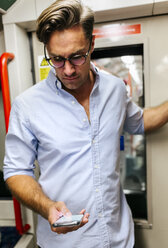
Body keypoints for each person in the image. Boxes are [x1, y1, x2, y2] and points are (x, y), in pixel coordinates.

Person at [3, 0, 168, 247]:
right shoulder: (27, 106)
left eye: (77, 57)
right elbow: (16, 171)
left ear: (92, 44)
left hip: (119, 238)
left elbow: (140, 121)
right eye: (57, 59)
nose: (68, 69)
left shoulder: (114, 89)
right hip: (65, 243)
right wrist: (47, 206)